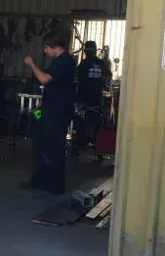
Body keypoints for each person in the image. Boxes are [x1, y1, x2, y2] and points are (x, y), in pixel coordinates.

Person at [22, 30, 77, 195]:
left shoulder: (65, 61)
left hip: (58, 112)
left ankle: (55, 185)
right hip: (50, 108)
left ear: (54, 47)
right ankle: (40, 181)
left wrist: (31, 64)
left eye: (46, 48)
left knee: (55, 147)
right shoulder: (58, 61)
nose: (45, 51)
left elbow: (45, 79)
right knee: (42, 144)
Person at [75, 41, 112, 147]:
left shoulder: (83, 64)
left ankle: (82, 142)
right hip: (96, 97)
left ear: (85, 51)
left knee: (82, 120)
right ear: (95, 50)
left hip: (83, 97)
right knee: (96, 120)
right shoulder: (101, 64)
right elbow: (108, 76)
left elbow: (76, 79)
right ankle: (95, 142)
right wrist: (100, 82)